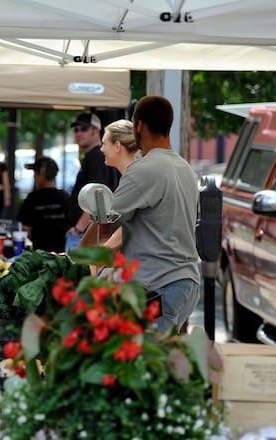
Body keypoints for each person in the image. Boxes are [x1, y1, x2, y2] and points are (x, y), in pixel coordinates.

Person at [83, 96, 200, 333]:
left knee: (141, 365)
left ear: (138, 125)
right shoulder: (185, 168)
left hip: (158, 287)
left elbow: (105, 223)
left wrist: (80, 255)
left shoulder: (144, 169)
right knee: (159, 363)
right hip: (186, 282)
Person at [80, 119, 139, 249]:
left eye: (104, 144)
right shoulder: (130, 178)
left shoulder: (134, 181)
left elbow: (124, 230)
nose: (101, 149)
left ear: (117, 146)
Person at [66, 112, 120, 251]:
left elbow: (97, 196)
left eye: (83, 129)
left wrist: (79, 229)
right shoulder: (93, 156)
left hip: (85, 235)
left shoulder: (96, 157)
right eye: (76, 130)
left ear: (96, 131)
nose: (78, 133)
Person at [15, 156, 70, 252]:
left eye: (35, 173)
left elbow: (25, 228)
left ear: (42, 175)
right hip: (62, 253)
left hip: (39, 253)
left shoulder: (32, 198)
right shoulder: (65, 197)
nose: (34, 176)